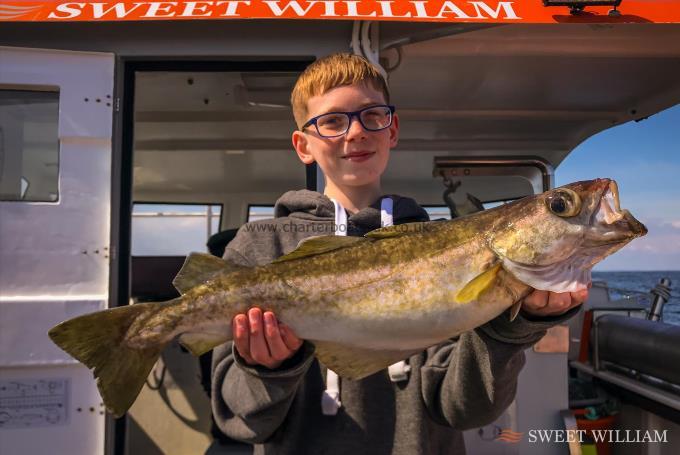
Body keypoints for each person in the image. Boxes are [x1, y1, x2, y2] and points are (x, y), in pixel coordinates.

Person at [211, 53, 587, 454]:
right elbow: (241, 421)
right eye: (333, 121)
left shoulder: (445, 249)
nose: (355, 132)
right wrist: (268, 368)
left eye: (372, 115)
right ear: (303, 145)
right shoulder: (257, 248)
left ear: (392, 129)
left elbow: (462, 410)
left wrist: (516, 328)